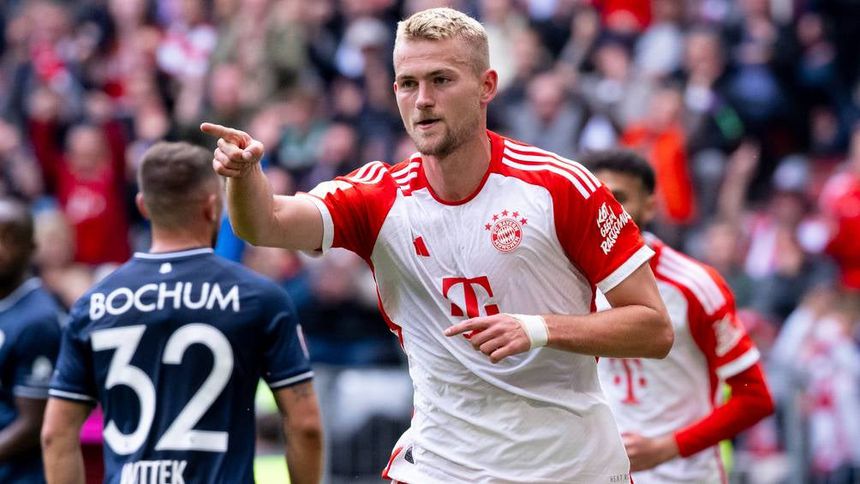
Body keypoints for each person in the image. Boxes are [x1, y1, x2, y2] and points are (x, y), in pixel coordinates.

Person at [202, 7, 673, 483]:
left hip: (568, 467)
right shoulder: (378, 196)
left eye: (441, 80)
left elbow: (654, 328)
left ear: (487, 86)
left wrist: (538, 328)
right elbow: (266, 224)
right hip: (442, 465)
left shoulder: (560, 187)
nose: (423, 100)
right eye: (408, 84)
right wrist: (243, 177)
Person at [41, 142, 323, 484]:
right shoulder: (260, 298)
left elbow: (55, 434)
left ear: (143, 206)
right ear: (213, 207)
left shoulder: (94, 304)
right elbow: (305, 426)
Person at [586, 149, 774, 483]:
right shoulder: (576, 284)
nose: (609, 211)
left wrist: (668, 448)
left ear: (650, 206)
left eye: (620, 198)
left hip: (685, 475)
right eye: (600, 200)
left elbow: (754, 397)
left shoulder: (695, 285)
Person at [0, 199, 63, 483]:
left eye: (10, 238)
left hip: (20, 476)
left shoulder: (38, 319)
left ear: (31, 248)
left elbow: (34, 423)